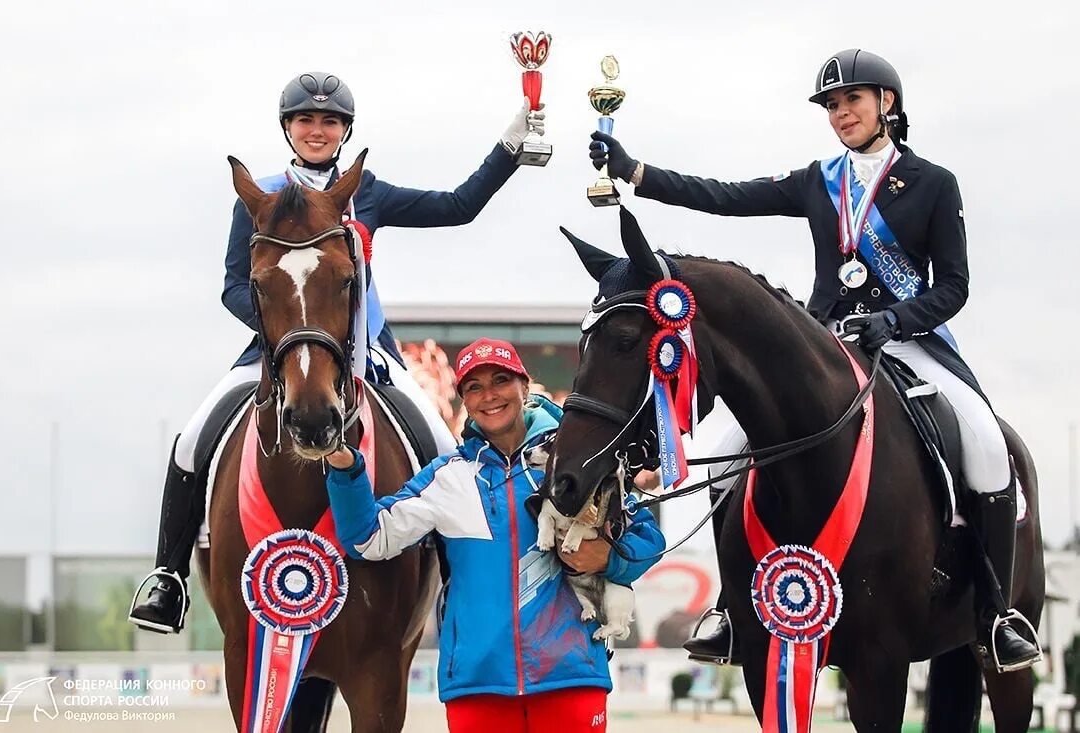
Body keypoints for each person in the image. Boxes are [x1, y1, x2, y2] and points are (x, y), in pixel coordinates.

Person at [589, 48, 1040, 672]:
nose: (839, 114)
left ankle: (994, 612)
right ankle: (731, 608)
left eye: (850, 100)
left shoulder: (934, 183)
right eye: (831, 105)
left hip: (909, 340)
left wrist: (896, 319)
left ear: (887, 103)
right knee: (724, 444)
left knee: (989, 445)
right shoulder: (818, 181)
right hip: (824, 344)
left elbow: (953, 286)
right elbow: (725, 196)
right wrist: (638, 172)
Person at [129, 71, 546, 634]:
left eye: (330, 121)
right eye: (306, 120)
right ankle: (168, 577)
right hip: (279, 350)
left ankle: (453, 587)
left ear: (345, 129)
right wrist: (290, 332)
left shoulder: (364, 190)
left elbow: (458, 206)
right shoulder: (262, 196)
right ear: (287, 127)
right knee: (192, 439)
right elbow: (234, 284)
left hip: (367, 350)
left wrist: (509, 149)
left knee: (443, 443)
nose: (317, 130)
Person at [324, 338, 666, 732]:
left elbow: (647, 535)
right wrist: (345, 467)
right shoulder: (447, 477)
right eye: (474, 387)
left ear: (524, 386)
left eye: (500, 380)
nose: (489, 396)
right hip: (477, 686)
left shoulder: (577, 463)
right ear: (464, 402)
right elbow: (369, 538)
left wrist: (610, 558)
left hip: (570, 678)